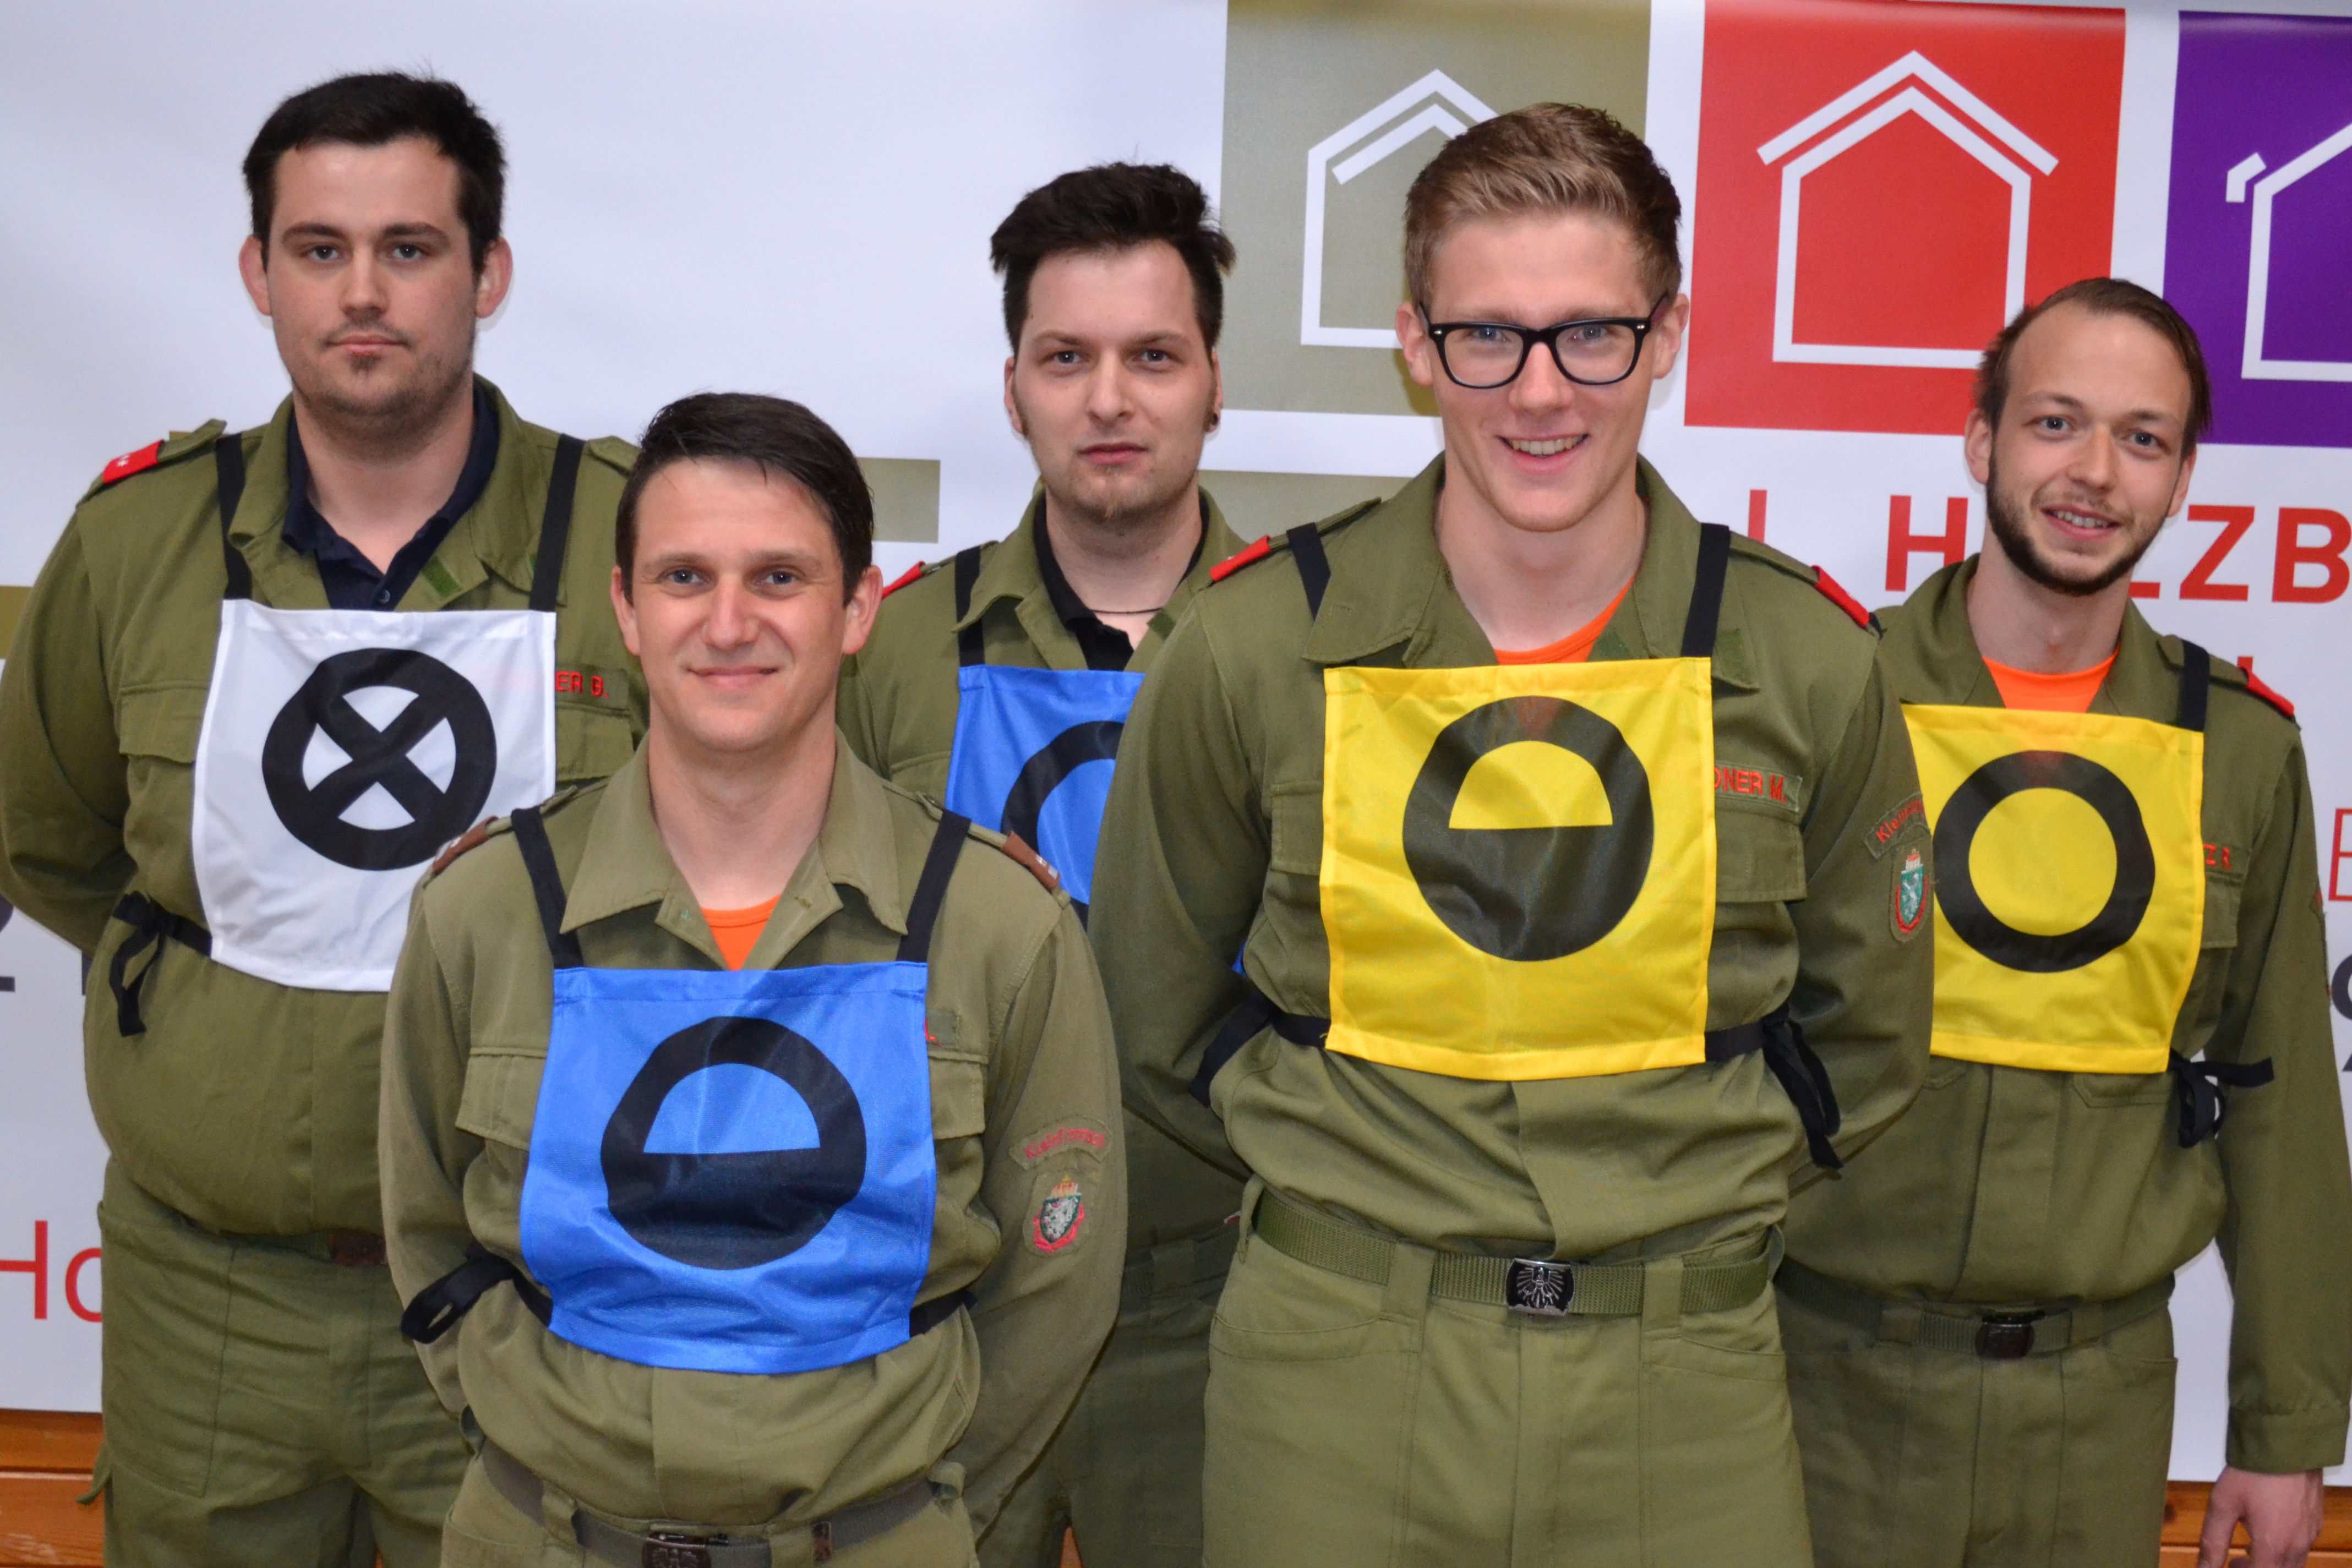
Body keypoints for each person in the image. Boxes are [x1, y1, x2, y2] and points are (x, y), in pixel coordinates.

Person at [1089, 103, 1934, 1566]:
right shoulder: (1249, 646)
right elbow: (1157, 1014)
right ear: (1415, 344)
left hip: (1687, 1391)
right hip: (1334, 1378)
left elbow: (1867, 1038)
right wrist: (1355, 1165)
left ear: (1668, 336)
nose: (1540, 392)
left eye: (1591, 334)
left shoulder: (1805, 659)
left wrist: (1675, 1190)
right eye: (1488, 336)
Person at [0, 72, 644, 1566]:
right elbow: (51, 839)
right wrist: (232, 1022)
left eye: (410, 249)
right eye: (320, 249)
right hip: (207, 1307)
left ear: (488, 272)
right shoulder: (138, 539)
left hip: (530, 1295)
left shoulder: (628, 537)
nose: (363, 293)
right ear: (259, 272)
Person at [379, 392, 1126, 1566]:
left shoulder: (995, 925)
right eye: (684, 577)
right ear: (626, 608)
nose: (729, 624)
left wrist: (910, 1509)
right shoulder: (485, 911)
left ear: (858, 608)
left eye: (779, 578)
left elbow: (1056, 1289)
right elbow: (429, 1234)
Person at [1781, 278, 2352, 1568]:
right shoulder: (1828, 700)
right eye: (2055, 423)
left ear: (2182, 477)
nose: (2094, 471)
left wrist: (2285, 1428)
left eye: (2141, 438)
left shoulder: (2237, 749)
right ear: (1980, 439)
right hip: (1817, 1385)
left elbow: (2279, 1109)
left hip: (2099, 1415)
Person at [837, 161, 1245, 1568]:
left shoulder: (1306, 647)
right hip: (941, 1313)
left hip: (1219, 1313)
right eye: (1066, 359)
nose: (1108, 399)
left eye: (1153, 357)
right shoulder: (888, 647)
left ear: (1213, 384)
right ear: (1012, 389)